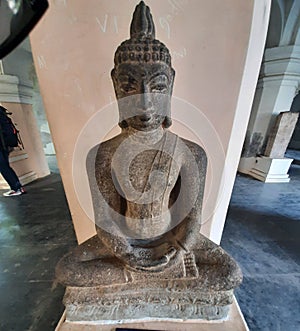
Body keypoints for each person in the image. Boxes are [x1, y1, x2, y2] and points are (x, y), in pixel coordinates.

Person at [0, 105, 25, 196]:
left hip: (1, 145)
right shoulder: (2, 113)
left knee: (4, 168)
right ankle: (18, 187)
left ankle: (16, 188)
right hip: (5, 145)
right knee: (6, 167)